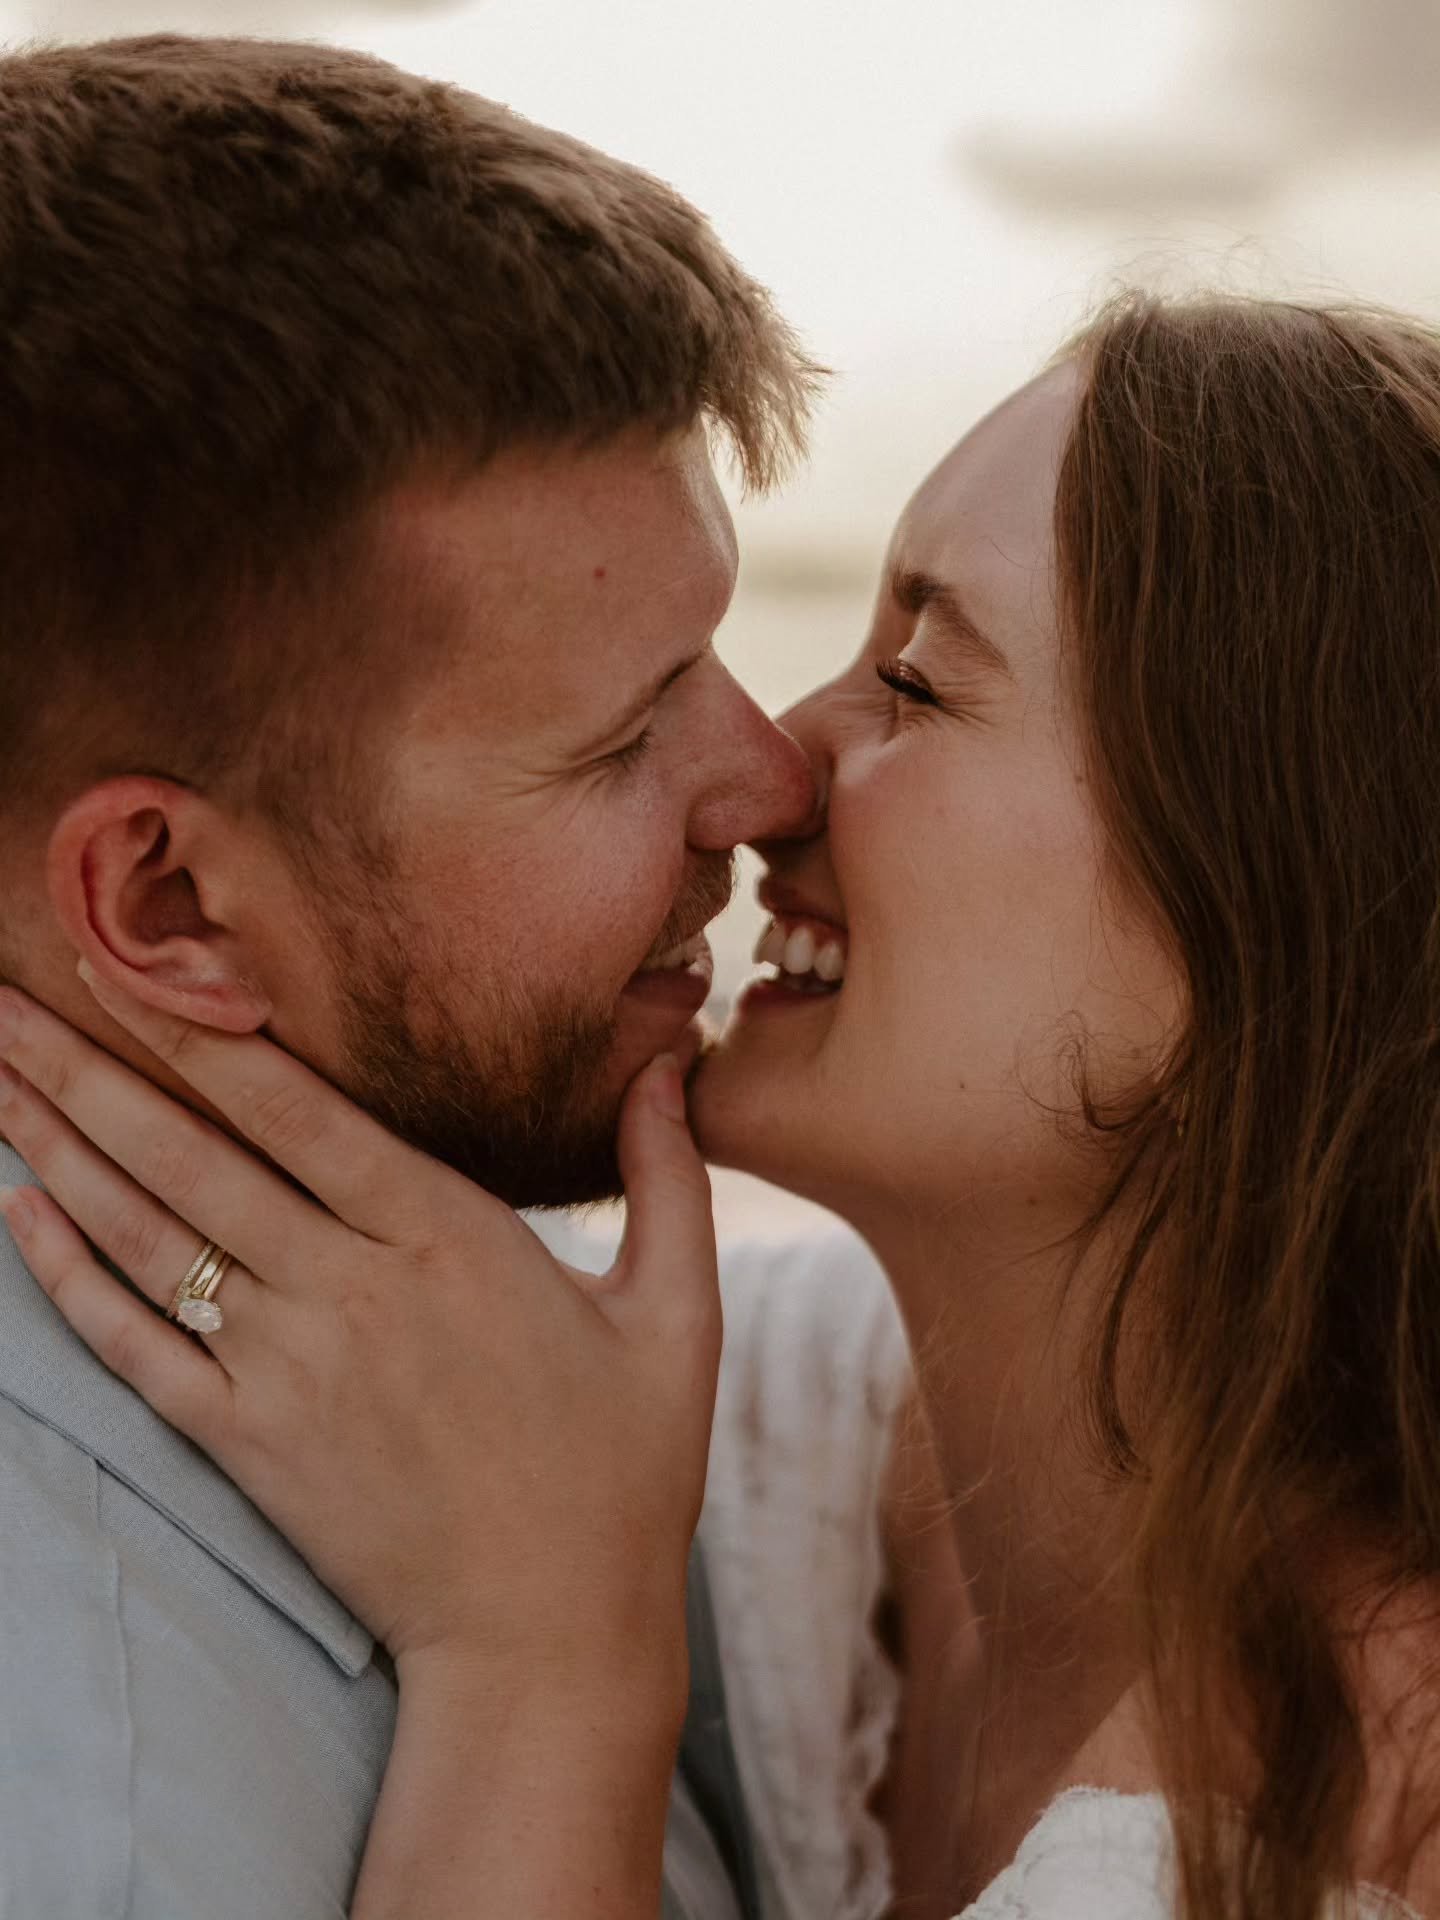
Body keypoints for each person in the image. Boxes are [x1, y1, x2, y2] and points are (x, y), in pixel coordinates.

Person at [8, 287, 1440, 1920]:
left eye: (915, 681)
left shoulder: (1346, 1820)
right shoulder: (819, 1450)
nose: (773, 775)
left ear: (1272, 925)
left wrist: (546, 1658)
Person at [0, 30, 825, 1920]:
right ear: (170, 904)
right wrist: (552, 1668)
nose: (770, 781)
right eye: (622, 742)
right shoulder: (109, 1814)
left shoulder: (434, 1303)